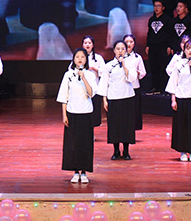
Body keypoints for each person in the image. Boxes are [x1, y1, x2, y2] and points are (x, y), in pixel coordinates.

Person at [57, 48, 97, 183]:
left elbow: (91, 93)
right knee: (72, 143)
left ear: (86, 59)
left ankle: (84, 171)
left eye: (82, 57)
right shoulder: (68, 75)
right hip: (72, 112)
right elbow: (64, 96)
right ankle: (75, 171)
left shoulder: (90, 75)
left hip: (86, 113)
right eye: (77, 57)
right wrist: (64, 115)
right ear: (73, 59)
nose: (80, 59)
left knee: (85, 143)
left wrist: (84, 77)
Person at [165, 38, 191, 162]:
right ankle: (182, 151)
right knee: (181, 126)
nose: (190, 51)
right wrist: (173, 100)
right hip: (181, 98)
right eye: (188, 48)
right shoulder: (179, 64)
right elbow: (173, 82)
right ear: (184, 50)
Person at [98, 40, 138, 161]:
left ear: (126, 50)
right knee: (114, 125)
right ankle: (115, 151)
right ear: (114, 50)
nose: (120, 51)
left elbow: (132, 78)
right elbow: (104, 83)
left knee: (127, 124)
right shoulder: (108, 66)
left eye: (123, 49)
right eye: (118, 49)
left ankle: (126, 151)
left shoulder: (130, 64)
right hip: (113, 98)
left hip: (127, 97)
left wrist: (124, 66)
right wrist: (104, 100)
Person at [145, 0, 175, 95]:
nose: (156, 8)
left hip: (163, 45)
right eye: (155, 6)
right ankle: (155, 87)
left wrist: (170, 45)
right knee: (154, 67)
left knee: (163, 67)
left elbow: (170, 33)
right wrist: (148, 45)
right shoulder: (151, 19)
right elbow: (149, 33)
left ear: (163, 8)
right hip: (153, 46)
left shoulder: (167, 19)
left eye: (159, 6)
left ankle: (164, 88)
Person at [123, 34, 146, 131]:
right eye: (127, 42)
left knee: (134, 108)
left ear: (134, 43)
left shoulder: (137, 57)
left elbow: (143, 72)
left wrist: (137, 73)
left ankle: (134, 127)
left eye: (131, 42)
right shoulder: (120, 57)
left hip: (134, 86)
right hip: (123, 87)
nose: (129, 44)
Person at [81, 36, 106, 126]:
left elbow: (104, 71)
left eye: (89, 43)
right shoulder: (79, 57)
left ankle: (94, 126)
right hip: (82, 87)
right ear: (82, 45)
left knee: (95, 108)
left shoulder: (98, 58)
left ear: (93, 45)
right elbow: (71, 69)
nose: (87, 45)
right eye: (85, 43)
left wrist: (95, 69)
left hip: (95, 87)